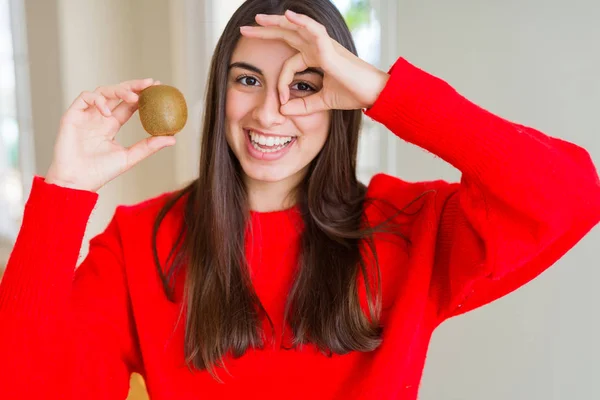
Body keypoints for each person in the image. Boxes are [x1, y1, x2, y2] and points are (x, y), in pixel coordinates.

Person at [1, 0, 599, 399]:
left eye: (303, 85)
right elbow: (28, 387)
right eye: (248, 79)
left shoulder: (408, 229)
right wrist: (65, 192)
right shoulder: (141, 241)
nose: (269, 111)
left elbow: (572, 195)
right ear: (221, 90)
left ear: (339, 97)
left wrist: (387, 93)